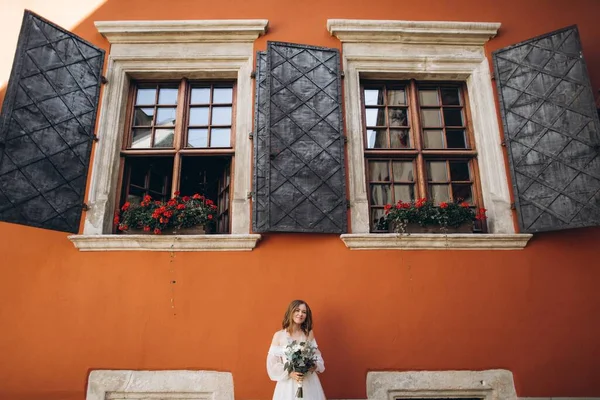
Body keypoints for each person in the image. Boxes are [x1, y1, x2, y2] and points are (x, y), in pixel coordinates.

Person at [267, 300, 326, 400]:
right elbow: (272, 364)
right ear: (291, 312)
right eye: (297, 310)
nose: (300, 314)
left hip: (308, 382)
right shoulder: (279, 336)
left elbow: (316, 356)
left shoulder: (308, 334)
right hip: (288, 385)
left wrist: (313, 365)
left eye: (304, 312)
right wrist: (290, 373)